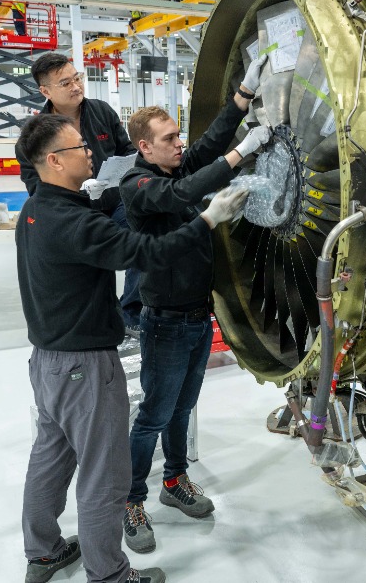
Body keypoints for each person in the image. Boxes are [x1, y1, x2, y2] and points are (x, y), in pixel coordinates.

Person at [16, 113, 247, 583]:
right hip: (84, 367)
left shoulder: (37, 208)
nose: (91, 153)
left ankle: (43, 553)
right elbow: (147, 253)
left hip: (47, 363)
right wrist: (208, 219)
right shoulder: (75, 223)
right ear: (55, 160)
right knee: (105, 477)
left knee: (50, 461)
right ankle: (110, 575)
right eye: (80, 148)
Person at [116, 54, 270, 555]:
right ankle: (130, 500)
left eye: (177, 137)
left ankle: (174, 479)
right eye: (168, 140)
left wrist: (242, 97)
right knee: (153, 416)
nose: (179, 145)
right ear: (144, 147)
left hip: (199, 319)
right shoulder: (138, 187)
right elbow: (182, 191)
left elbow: (208, 144)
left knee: (182, 409)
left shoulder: (176, 163)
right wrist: (242, 154)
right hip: (164, 323)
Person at [15, 51, 143, 334]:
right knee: (89, 271)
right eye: (65, 83)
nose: (76, 87)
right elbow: (36, 187)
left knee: (144, 231)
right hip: (71, 213)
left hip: (113, 202)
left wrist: (127, 172)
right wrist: (74, 191)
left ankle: (131, 314)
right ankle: (97, 319)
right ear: (45, 91)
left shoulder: (102, 112)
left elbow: (126, 150)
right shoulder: (35, 137)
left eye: (77, 78)